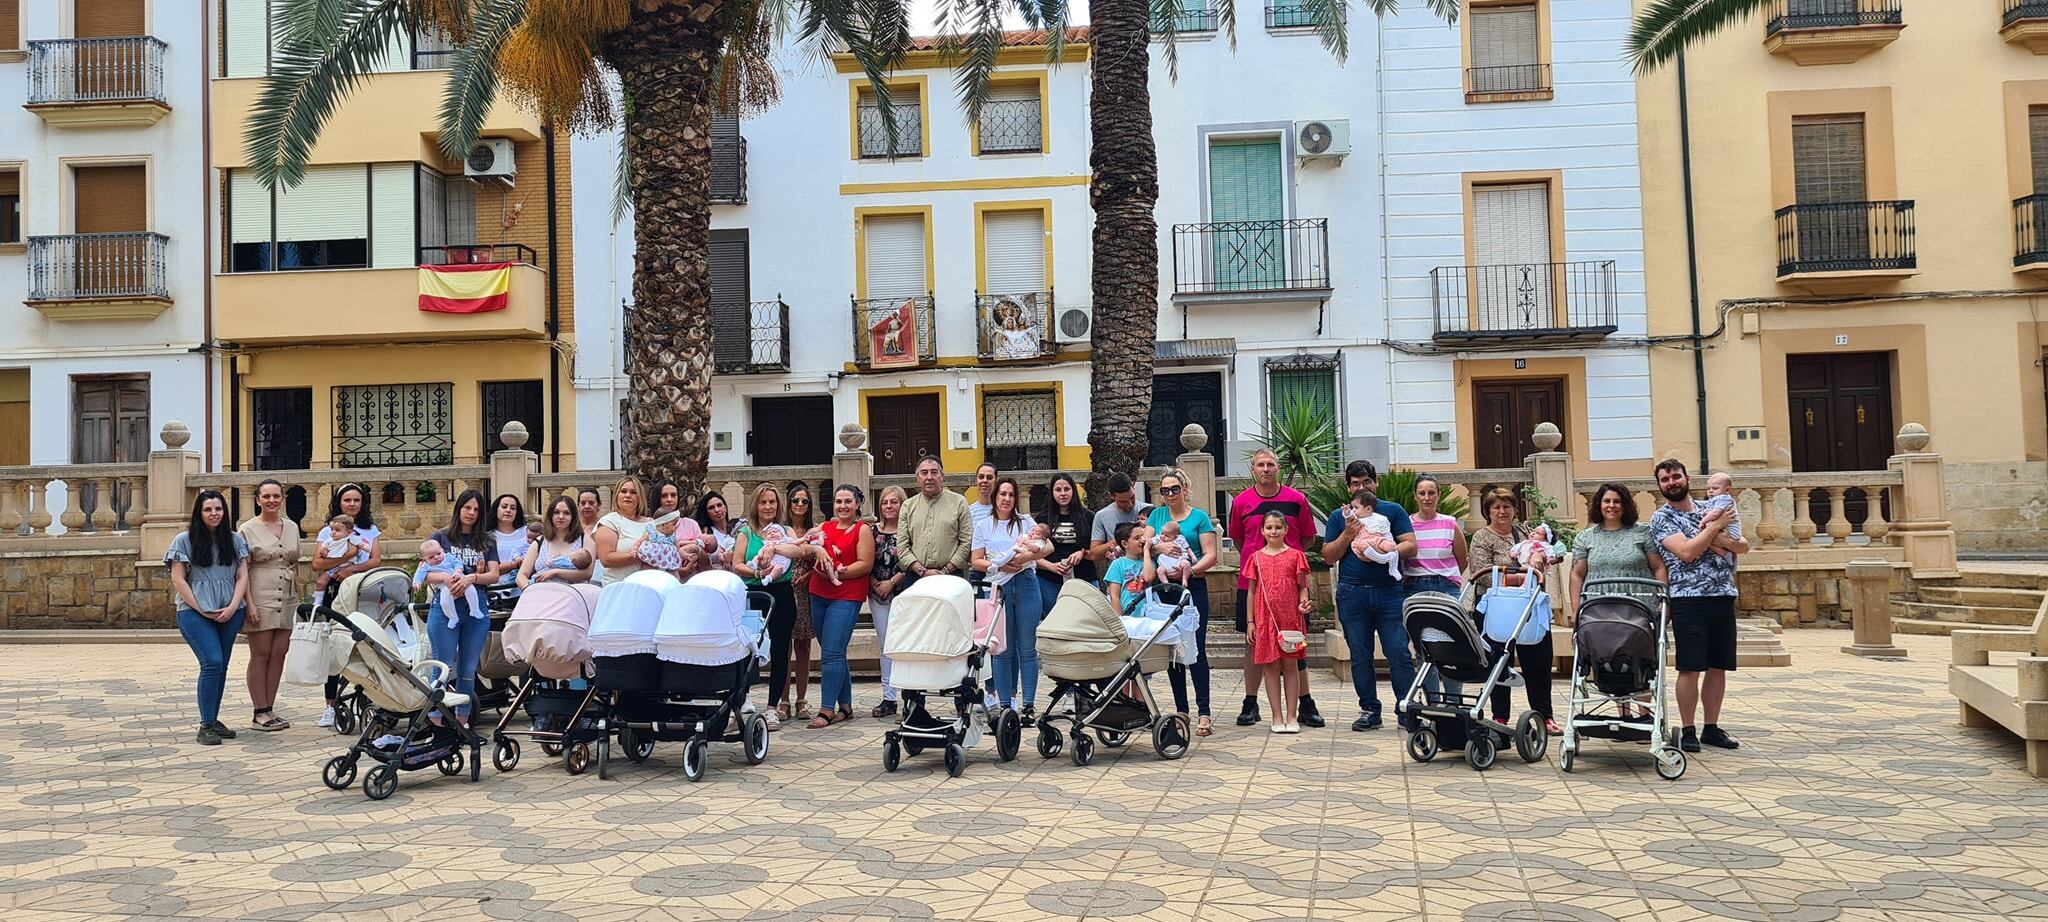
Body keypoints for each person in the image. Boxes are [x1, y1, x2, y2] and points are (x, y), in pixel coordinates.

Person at [1650, 459, 1749, 754]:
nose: (1672, 482)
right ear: (1660, 486)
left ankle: (1712, 727)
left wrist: (1719, 537)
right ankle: (1688, 729)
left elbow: (1743, 545)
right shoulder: (1662, 517)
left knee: (1719, 666)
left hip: (1723, 594)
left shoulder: (1712, 506)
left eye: (1676, 476)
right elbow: (1686, 551)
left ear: (1687, 478)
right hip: (1687, 598)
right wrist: (1716, 530)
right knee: (1690, 667)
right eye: (1665, 479)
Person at [1228, 449, 1324, 728]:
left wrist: (1286, 561)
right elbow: (1238, 539)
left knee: (1295, 643)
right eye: (1260, 464)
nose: (1266, 469)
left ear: (1278, 468)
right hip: (1253, 584)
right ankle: (1250, 702)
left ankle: (1305, 703)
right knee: (1253, 643)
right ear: (1253, 469)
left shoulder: (1296, 499)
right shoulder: (1241, 502)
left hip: (1291, 587)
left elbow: (1307, 537)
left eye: (1270, 464)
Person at [1324, 461, 1420, 732]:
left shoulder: (1392, 510)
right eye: (1355, 483)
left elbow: (1411, 546)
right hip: (1352, 592)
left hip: (1390, 592)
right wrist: (1348, 533)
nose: (1361, 487)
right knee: (1360, 654)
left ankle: (1405, 710)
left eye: (1366, 481)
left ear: (1376, 483)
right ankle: (1369, 710)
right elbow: (1328, 556)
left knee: (1398, 652)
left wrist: (1387, 551)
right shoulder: (1341, 516)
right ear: (1348, 488)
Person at [1466, 488, 1558, 736]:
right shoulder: (1482, 537)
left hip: (1528, 606)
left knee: (1538, 662)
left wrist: (1539, 560)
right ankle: (1500, 715)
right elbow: (1483, 574)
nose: (1502, 511)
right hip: (1496, 609)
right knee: (1498, 663)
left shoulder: (1526, 533)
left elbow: (1546, 555)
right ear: (1487, 511)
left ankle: (1544, 715)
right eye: (1496, 507)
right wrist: (1523, 577)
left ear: (1515, 509)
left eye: (1506, 506)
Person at [168, 490, 251, 746]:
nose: (214, 514)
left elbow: (242, 576)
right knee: (212, 662)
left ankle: (214, 720)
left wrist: (234, 605)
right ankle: (205, 724)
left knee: (221, 665)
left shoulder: (235, 540)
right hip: (194, 612)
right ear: (199, 513)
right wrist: (200, 608)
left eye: (218, 509)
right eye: (208, 509)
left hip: (230, 610)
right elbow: (178, 579)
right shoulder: (184, 540)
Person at [730, 483, 811, 730]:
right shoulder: (746, 532)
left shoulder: (785, 530)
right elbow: (737, 564)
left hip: (782, 593)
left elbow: (799, 551)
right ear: (755, 505)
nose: (768, 506)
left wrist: (775, 547)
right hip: (754, 593)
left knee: (780, 649)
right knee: (747, 648)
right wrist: (758, 572)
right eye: (763, 502)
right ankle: (740, 702)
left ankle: (773, 706)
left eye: (772, 502)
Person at [1148, 469, 1221, 736]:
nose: (1169, 494)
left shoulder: (1199, 517)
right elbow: (1144, 542)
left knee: (1195, 647)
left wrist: (1187, 571)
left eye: (1174, 489)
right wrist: (1160, 548)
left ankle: (1204, 711)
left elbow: (1211, 555)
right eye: (1165, 490)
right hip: (1165, 589)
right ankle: (1182, 709)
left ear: (1185, 489)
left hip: (1192, 586)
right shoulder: (1157, 516)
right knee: (1172, 650)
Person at [972, 477, 1051, 723]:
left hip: (1026, 584)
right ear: (995, 497)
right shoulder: (984, 525)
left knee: (1027, 647)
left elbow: (1047, 547)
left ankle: (1028, 705)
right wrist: (1001, 565)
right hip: (999, 587)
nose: (1006, 499)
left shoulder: (1026, 522)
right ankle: (1005, 705)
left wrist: (1025, 557)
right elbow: (976, 561)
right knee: (1001, 649)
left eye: (1011, 494)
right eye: (1002, 494)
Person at [424, 490, 500, 725]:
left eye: (476, 509)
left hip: (476, 608)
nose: (471, 513)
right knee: (443, 667)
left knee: (468, 669)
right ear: (459, 509)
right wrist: (446, 579)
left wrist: (472, 578)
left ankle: (463, 723)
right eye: (467, 508)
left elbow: (494, 575)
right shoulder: (441, 537)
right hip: (445, 607)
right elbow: (425, 573)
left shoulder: (487, 540)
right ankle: (436, 723)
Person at [314, 483, 382, 729]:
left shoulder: (370, 530)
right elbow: (317, 563)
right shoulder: (329, 530)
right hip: (336, 591)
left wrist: (352, 568)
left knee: (366, 646)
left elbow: (375, 559)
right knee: (334, 646)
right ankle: (330, 705)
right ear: (338, 503)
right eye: (347, 500)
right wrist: (345, 559)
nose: (352, 504)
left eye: (356, 500)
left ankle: (369, 699)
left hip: (362, 591)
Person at [809, 485, 876, 728]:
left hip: (846, 595)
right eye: (839, 501)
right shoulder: (825, 527)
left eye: (848, 501)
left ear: (858, 504)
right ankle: (845, 706)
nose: (843, 506)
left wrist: (836, 572)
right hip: (818, 592)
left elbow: (865, 564)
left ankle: (826, 708)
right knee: (834, 651)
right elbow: (809, 548)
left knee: (832, 653)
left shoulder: (862, 529)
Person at [237, 479, 301, 732]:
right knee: (261, 653)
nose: (272, 500)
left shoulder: (292, 526)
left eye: (276, 496)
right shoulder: (247, 529)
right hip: (260, 592)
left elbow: (295, 562)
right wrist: (249, 604)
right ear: (258, 499)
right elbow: (242, 569)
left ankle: (270, 707)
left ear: (283, 498)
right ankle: (259, 710)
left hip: (287, 594)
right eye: (266, 496)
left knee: (279, 652)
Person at [1245, 511, 1312, 735]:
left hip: (1291, 618)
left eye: (1278, 527)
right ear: (1262, 531)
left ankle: (1292, 715)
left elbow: (1302, 587)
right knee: (1270, 666)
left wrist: (1303, 603)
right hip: (1264, 619)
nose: (1273, 531)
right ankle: (1276, 716)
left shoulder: (1296, 556)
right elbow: (1251, 592)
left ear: (1286, 530)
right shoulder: (1255, 558)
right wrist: (1251, 621)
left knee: (1291, 665)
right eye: (1269, 527)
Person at [868, 486, 910, 718]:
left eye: (894, 502)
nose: (889, 506)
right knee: (885, 646)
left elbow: (912, 560)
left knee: (904, 646)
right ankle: (889, 697)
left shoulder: (908, 531)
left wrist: (891, 583)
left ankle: (909, 696)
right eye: (885, 502)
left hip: (902, 593)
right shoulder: (871, 531)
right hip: (877, 595)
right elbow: (864, 558)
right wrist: (875, 583)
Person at [899, 455, 974, 582]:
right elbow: (902, 546)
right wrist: (922, 571)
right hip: (916, 576)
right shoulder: (908, 506)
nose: (929, 477)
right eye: (924, 473)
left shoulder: (959, 502)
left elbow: (966, 541)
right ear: (917, 478)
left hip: (951, 575)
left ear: (942, 476)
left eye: (934, 472)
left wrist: (946, 570)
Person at [782, 481, 821, 720]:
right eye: (795, 500)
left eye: (804, 501)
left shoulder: (814, 531)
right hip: (784, 588)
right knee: (783, 647)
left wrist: (809, 575)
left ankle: (801, 700)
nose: (799, 504)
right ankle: (784, 700)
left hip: (805, 592)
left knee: (803, 647)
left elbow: (821, 559)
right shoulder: (780, 529)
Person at [1403, 475, 1467, 598]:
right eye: (1422, 493)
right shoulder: (1406, 525)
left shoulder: (1450, 523)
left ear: (1438, 495)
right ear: (1415, 496)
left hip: (1446, 587)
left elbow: (1462, 560)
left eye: (1431, 493)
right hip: (1414, 587)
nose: (1427, 498)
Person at [1036, 473, 1097, 602]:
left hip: (1084, 578)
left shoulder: (1089, 517)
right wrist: (1051, 566)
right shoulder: (1042, 518)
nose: (1063, 493)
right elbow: (1031, 555)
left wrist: (1082, 553)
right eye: (1058, 490)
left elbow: (1097, 551)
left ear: (1073, 491)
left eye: (1067, 489)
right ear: (1052, 493)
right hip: (1049, 580)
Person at [518, 495, 594, 587]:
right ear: (550, 515)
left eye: (566, 513)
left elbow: (587, 573)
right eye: (556, 512)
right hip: (541, 592)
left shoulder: (585, 539)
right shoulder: (539, 542)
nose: (561, 516)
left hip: (573, 593)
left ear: (573, 517)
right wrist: (529, 590)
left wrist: (556, 572)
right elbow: (521, 576)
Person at [593, 476, 653, 585]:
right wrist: (645, 555)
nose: (628, 495)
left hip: (650, 586)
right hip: (619, 587)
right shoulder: (608, 522)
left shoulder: (651, 523)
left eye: (633, 492)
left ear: (640, 497)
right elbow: (606, 559)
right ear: (616, 495)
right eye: (623, 491)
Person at [1087, 472, 1153, 568]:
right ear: (1111, 496)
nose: (1130, 504)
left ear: (1133, 486)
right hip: (1120, 571)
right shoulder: (1102, 516)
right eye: (1123, 502)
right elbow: (1094, 555)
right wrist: (1121, 538)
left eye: (1132, 498)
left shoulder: (1150, 510)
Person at [414, 539, 482, 618]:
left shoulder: (449, 557)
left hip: (460, 580)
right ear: (424, 558)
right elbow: (419, 573)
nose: (436, 557)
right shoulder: (426, 565)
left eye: (439, 553)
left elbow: (458, 563)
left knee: (471, 590)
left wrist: (458, 571)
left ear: (442, 550)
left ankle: (474, 610)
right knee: (445, 602)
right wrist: (417, 582)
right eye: (431, 557)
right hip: (445, 587)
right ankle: (452, 617)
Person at [486, 494, 533, 604]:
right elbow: (487, 570)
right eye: (504, 506)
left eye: (513, 508)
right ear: (496, 509)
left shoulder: (527, 532)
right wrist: (514, 565)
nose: (508, 510)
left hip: (523, 593)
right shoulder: (488, 536)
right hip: (495, 594)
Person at [1100, 522, 1158, 612]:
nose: (1142, 540)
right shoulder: (1118, 564)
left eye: (1143, 536)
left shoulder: (1148, 561)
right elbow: (1114, 596)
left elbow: (1148, 577)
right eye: (1137, 538)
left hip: (1148, 614)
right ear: (1125, 544)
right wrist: (1119, 617)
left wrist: (1146, 551)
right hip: (1127, 614)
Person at [312, 514, 368, 595]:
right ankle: (318, 601)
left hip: (348, 566)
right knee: (320, 582)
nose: (333, 532)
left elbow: (362, 545)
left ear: (349, 532)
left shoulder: (351, 539)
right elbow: (324, 551)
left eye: (337, 530)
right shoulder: (329, 540)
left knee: (350, 586)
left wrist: (366, 548)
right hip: (332, 567)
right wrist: (324, 553)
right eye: (332, 529)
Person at [1700, 472, 1744, 560]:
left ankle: (1725, 554)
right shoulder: (1717, 500)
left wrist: (1703, 521)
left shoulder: (1723, 498)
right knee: (1705, 539)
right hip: (1725, 530)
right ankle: (1726, 554)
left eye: (1715, 488)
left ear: (1727, 490)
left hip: (1730, 532)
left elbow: (1716, 513)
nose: (1710, 491)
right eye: (1708, 488)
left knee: (1705, 539)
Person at [694, 491, 739, 572]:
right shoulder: (706, 533)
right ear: (707, 513)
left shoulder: (738, 527)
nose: (717, 510)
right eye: (711, 508)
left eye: (719, 505)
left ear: (725, 507)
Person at [1151, 519, 1195, 587]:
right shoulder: (1158, 539)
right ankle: (1166, 584)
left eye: (1167, 536)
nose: (1163, 536)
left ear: (1175, 536)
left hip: (1179, 561)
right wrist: (1145, 539)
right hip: (1164, 563)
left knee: (1187, 564)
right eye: (1162, 533)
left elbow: (1187, 548)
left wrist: (1192, 556)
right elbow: (1150, 541)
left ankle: (1184, 579)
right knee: (1159, 571)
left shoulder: (1180, 539)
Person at [577, 488, 606, 583]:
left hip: (599, 577)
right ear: (578, 506)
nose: (587, 506)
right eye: (583, 503)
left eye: (591, 503)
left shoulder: (605, 526)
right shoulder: (571, 527)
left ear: (599, 505)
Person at [969, 462, 999, 533]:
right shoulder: (969, 511)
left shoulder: (1005, 509)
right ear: (976, 480)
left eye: (989, 478)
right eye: (981, 477)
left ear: (996, 481)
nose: (985, 480)